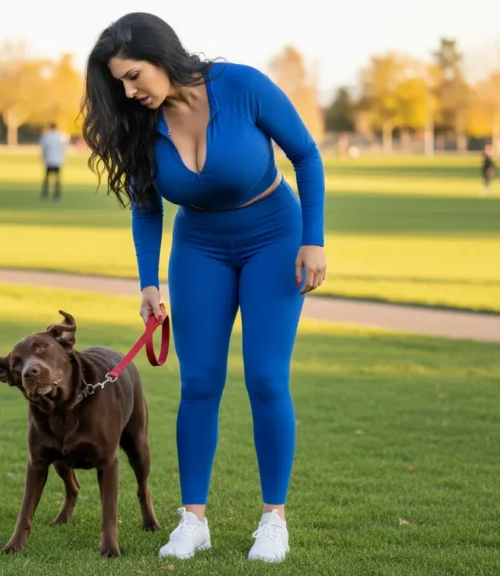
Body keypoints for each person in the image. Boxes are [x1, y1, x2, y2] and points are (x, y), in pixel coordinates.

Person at [81, 13, 326, 564]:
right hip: (199, 250)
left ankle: (273, 521)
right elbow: (147, 207)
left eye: (135, 75)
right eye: (120, 81)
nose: (129, 90)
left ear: (163, 56)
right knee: (199, 384)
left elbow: (307, 155)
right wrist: (149, 281)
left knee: (265, 378)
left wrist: (314, 239)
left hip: (274, 238)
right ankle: (194, 521)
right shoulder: (140, 123)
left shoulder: (240, 86)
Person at [39, 122, 68, 201]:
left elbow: (42, 148)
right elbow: (64, 147)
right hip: (58, 161)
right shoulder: (61, 136)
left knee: (47, 180)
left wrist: (42, 158)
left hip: (49, 160)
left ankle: (45, 196)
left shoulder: (46, 136)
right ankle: (57, 196)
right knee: (57, 180)